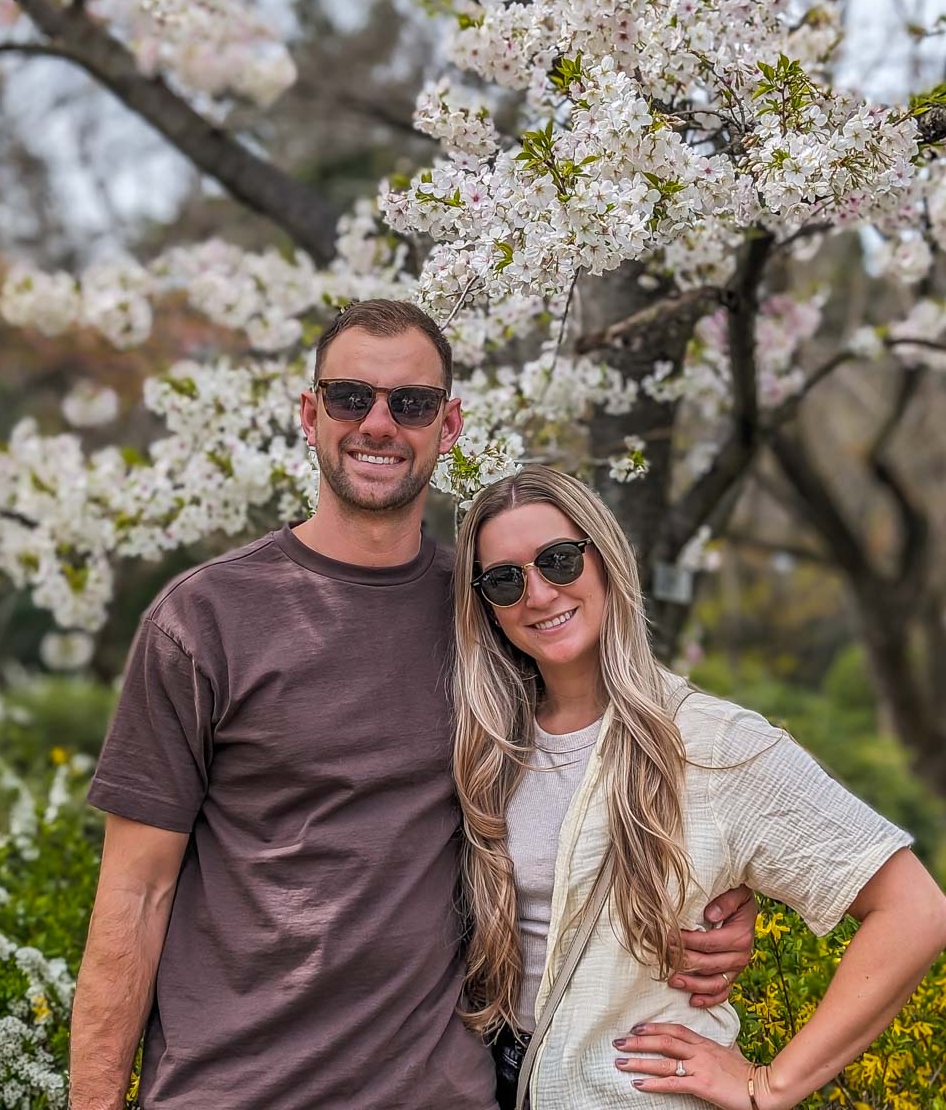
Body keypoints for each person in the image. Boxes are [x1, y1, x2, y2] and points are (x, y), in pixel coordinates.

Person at [71, 301, 758, 1110]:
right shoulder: (203, 621)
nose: (379, 424)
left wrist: (715, 898)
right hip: (231, 1089)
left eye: (412, 403)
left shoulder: (496, 612)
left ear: (450, 423)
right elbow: (134, 895)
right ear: (310, 413)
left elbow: (606, 762)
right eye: (350, 397)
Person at [452, 464, 946, 1110]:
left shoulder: (714, 745)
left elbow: (915, 909)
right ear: (485, 604)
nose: (539, 594)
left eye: (560, 561)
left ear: (606, 561)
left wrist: (771, 1084)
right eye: (505, 580)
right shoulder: (485, 745)